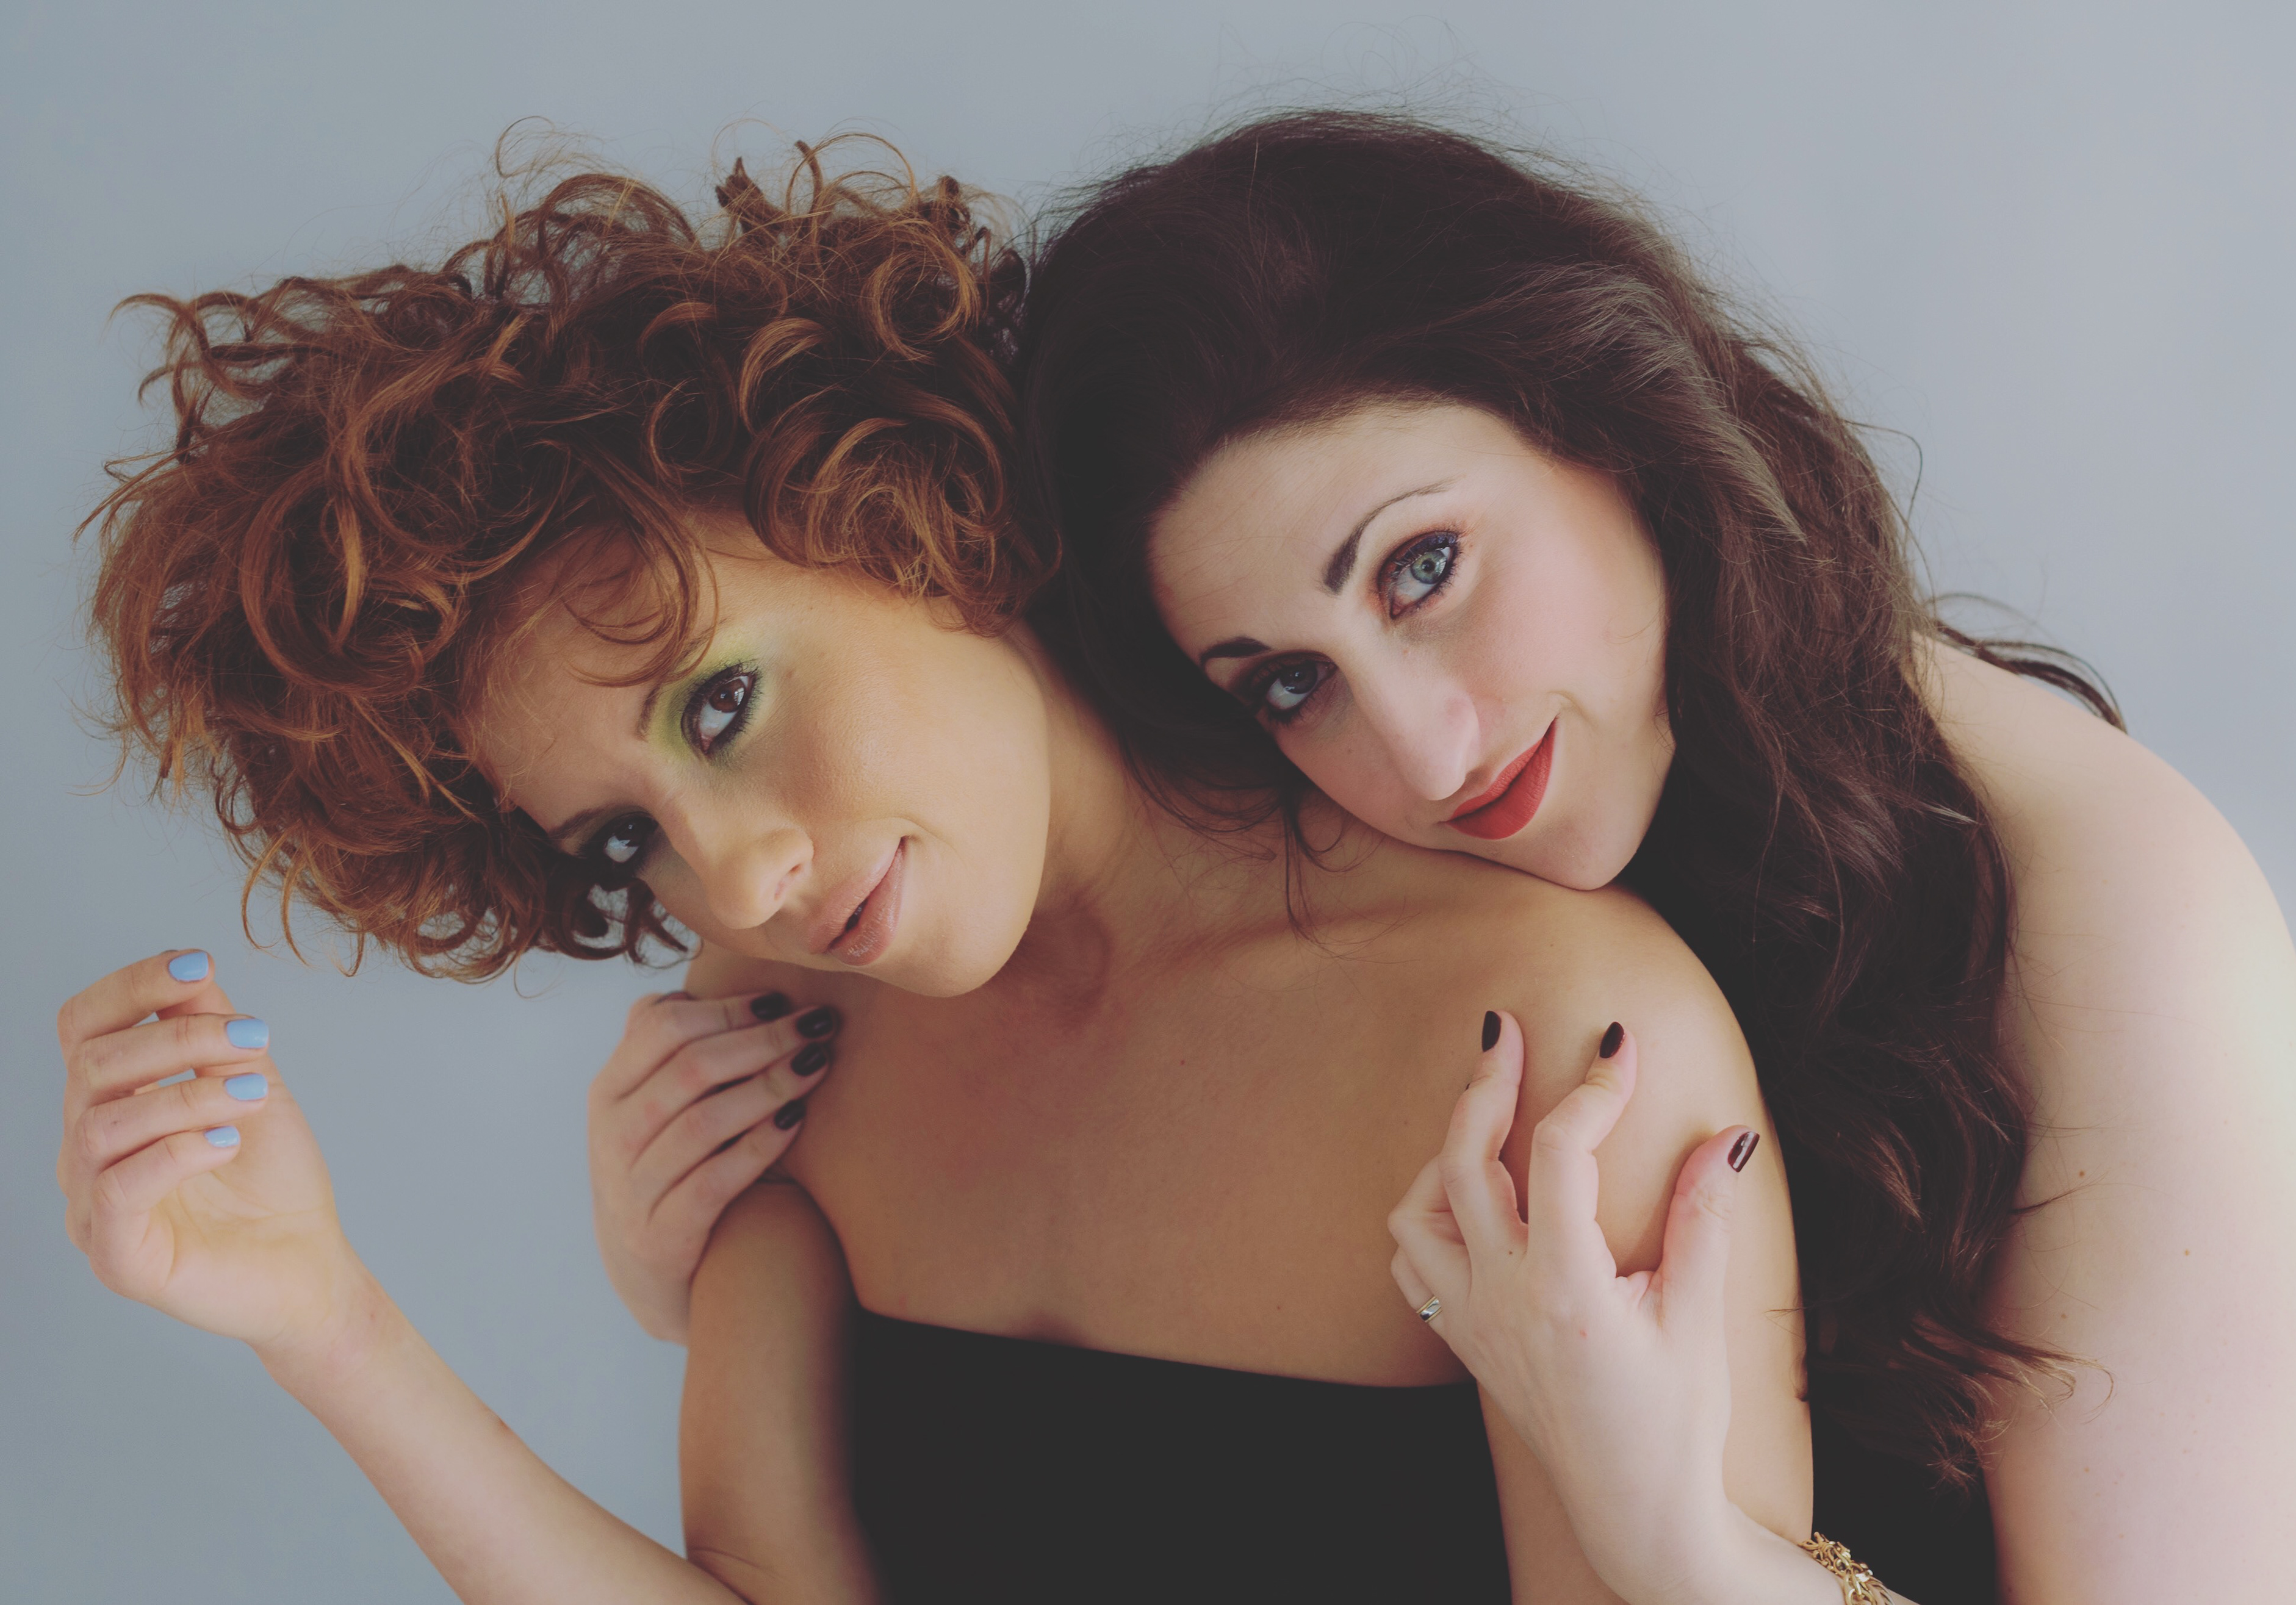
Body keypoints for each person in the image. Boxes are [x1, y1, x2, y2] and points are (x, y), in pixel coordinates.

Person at [58, 142, 1809, 1602]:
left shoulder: (1547, 1041)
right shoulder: (781, 1038)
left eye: (723, 705)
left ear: (906, 513)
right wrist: (325, 1321)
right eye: (627, 837)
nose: (738, 877)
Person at [991, 109, 2296, 1602]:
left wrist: (1677, 1534)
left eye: (1423, 569)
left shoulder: (2108, 900)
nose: (1424, 757)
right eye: (1291, 683)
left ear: (1603, 412)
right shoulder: (1405, 896)